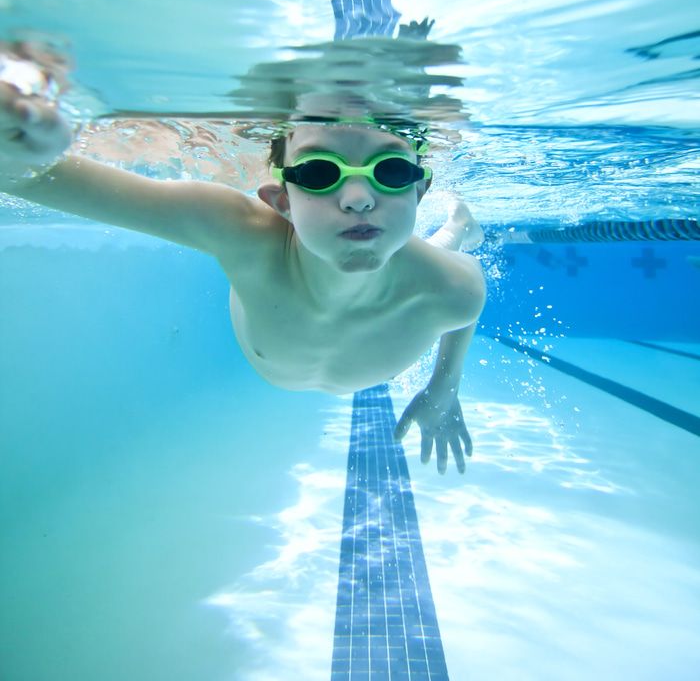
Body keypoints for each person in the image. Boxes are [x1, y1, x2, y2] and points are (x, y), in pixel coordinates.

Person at [0, 76, 485, 474]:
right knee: (427, 257)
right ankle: (455, 225)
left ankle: (456, 227)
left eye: (392, 170)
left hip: (412, 281)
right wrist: (23, 156)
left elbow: (466, 306)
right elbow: (31, 178)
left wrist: (444, 389)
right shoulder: (241, 231)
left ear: (418, 193)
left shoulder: (456, 287)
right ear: (281, 203)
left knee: (439, 254)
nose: (358, 197)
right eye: (319, 173)